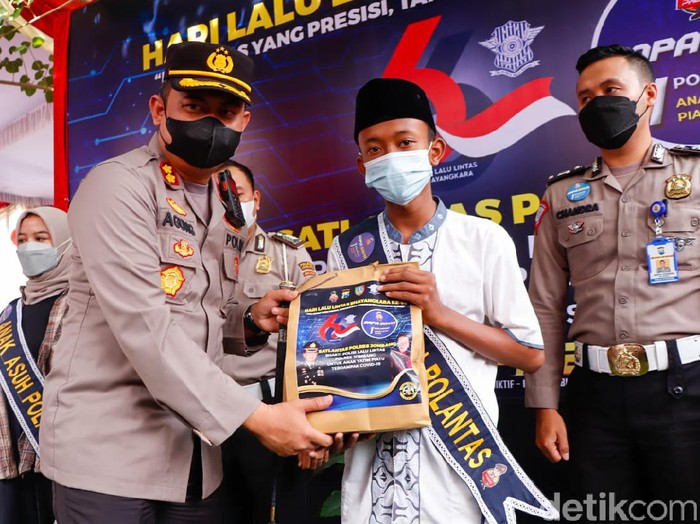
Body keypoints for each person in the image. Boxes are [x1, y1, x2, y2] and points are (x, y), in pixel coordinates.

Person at [39, 41, 333, 523]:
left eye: (226, 112)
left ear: (244, 120)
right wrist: (256, 418)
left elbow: (202, 311)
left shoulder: (227, 201)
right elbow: (144, 326)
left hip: (196, 457)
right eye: (194, 106)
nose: (211, 124)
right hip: (109, 455)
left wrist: (250, 321)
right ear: (160, 109)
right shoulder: (119, 186)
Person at [327, 78, 547, 523]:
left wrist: (440, 315)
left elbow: (529, 354)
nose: (390, 156)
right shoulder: (348, 249)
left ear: (436, 151)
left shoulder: (483, 239)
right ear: (362, 165)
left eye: (405, 142)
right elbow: (340, 361)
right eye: (375, 149)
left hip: (456, 473)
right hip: (371, 474)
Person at [526, 44, 700, 516]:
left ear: (648, 96)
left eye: (611, 90)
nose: (597, 103)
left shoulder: (696, 173)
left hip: (686, 389)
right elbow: (544, 306)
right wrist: (545, 405)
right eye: (585, 97)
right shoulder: (561, 193)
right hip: (593, 398)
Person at [219, 160, 318, 524]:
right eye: (218, 197)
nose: (228, 204)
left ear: (256, 200)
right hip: (205, 418)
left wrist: (314, 420)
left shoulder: (286, 255)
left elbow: (312, 339)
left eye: (238, 194)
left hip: (269, 411)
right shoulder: (188, 262)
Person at [0, 207, 71, 524]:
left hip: (59, 458)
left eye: (41, 238)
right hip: (10, 458)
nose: (29, 247)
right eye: (23, 239)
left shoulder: (81, 305)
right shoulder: (9, 312)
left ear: (65, 242)